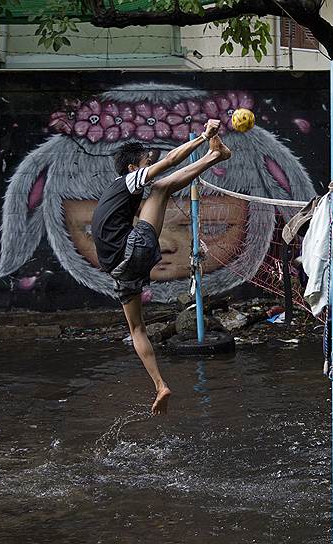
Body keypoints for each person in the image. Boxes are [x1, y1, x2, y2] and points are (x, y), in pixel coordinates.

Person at [91, 119, 231, 415]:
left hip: (118, 271)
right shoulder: (128, 181)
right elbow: (169, 161)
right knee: (160, 188)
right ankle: (214, 155)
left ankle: (160, 385)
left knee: (137, 329)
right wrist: (203, 138)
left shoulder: (115, 196)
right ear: (133, 169)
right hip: (132, 251)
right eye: (145, 162)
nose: (149, 164)